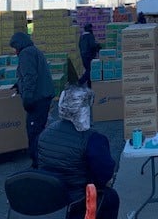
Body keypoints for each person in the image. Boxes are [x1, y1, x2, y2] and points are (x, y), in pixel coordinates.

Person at [37, 85, 120, 219]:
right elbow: (105, 175)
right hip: (79, 202)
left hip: (50, 200)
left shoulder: (45, 133)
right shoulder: (92, 139)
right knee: (111, 197)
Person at [9, 32, 55, 168]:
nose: (15, 51)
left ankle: (38, 162)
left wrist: (27, 98)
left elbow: (30, 76)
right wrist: (19, 85)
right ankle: (41, 159)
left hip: (37, 98)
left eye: (15, 47)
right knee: (39, 128)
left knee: (34, 130)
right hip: (44, 95)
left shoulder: (26, 54)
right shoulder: (34, 51)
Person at [78, 23, 102, 88]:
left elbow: (79, 46)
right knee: (90, 70)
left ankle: (89, 85)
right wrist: (98, 46)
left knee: (88, 70)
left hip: (83, 56)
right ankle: (80, 81)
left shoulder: (82, 36)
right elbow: (92, 45)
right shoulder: (89, 36)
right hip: (89, 56)